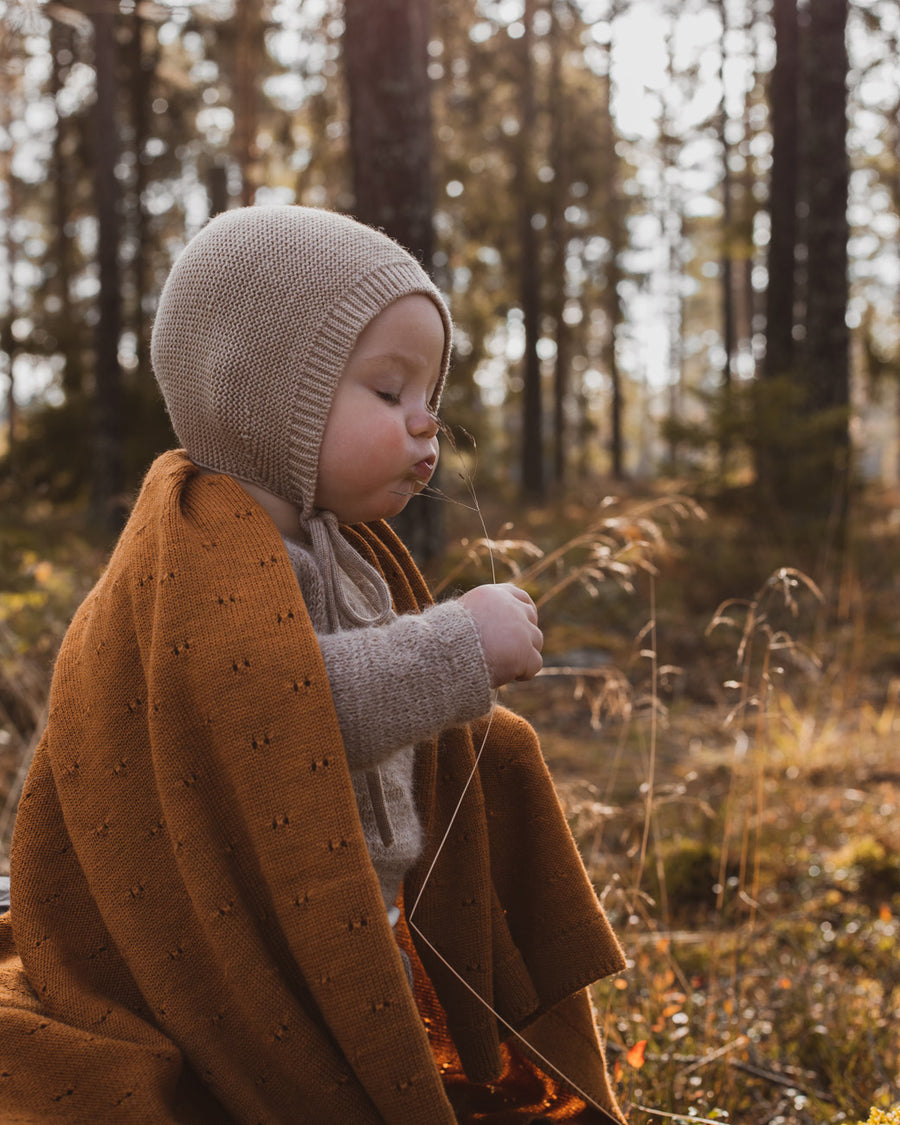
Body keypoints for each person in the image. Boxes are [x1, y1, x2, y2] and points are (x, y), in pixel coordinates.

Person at [0, 206, 626, 1124]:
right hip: (215, 938)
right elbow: (270, 714)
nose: (427, 424)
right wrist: (459, 646)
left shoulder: (341, 548)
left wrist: (482, 744)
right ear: (258, 390)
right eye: (387, 391)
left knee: (498, 749)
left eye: (431, 398)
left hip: (330, 916)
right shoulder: (200, 546)